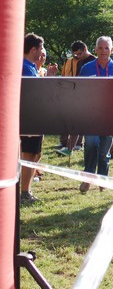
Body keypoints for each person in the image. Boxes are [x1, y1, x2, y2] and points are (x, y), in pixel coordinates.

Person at [78, 36, 113, 193]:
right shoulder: (86, 69)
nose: (104, 51)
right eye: (101, 48)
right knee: (91, 144)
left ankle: (103, 179)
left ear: (111, 50)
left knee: (104, 151)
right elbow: (79, 91)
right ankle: (88, 178)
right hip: (92, 114)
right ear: (95, 49)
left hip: (110, 115)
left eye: (107, 48)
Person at [20, 33, 55, 203]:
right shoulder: (25, 67)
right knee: (29, 155)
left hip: (35, 118)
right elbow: (35, 93)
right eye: (40, 48)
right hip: (29, 119)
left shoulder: (31, 66)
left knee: (36, 154)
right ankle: (24, 192)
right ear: (33, 49)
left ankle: (25, 190)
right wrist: (48, 79)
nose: (42, 52)